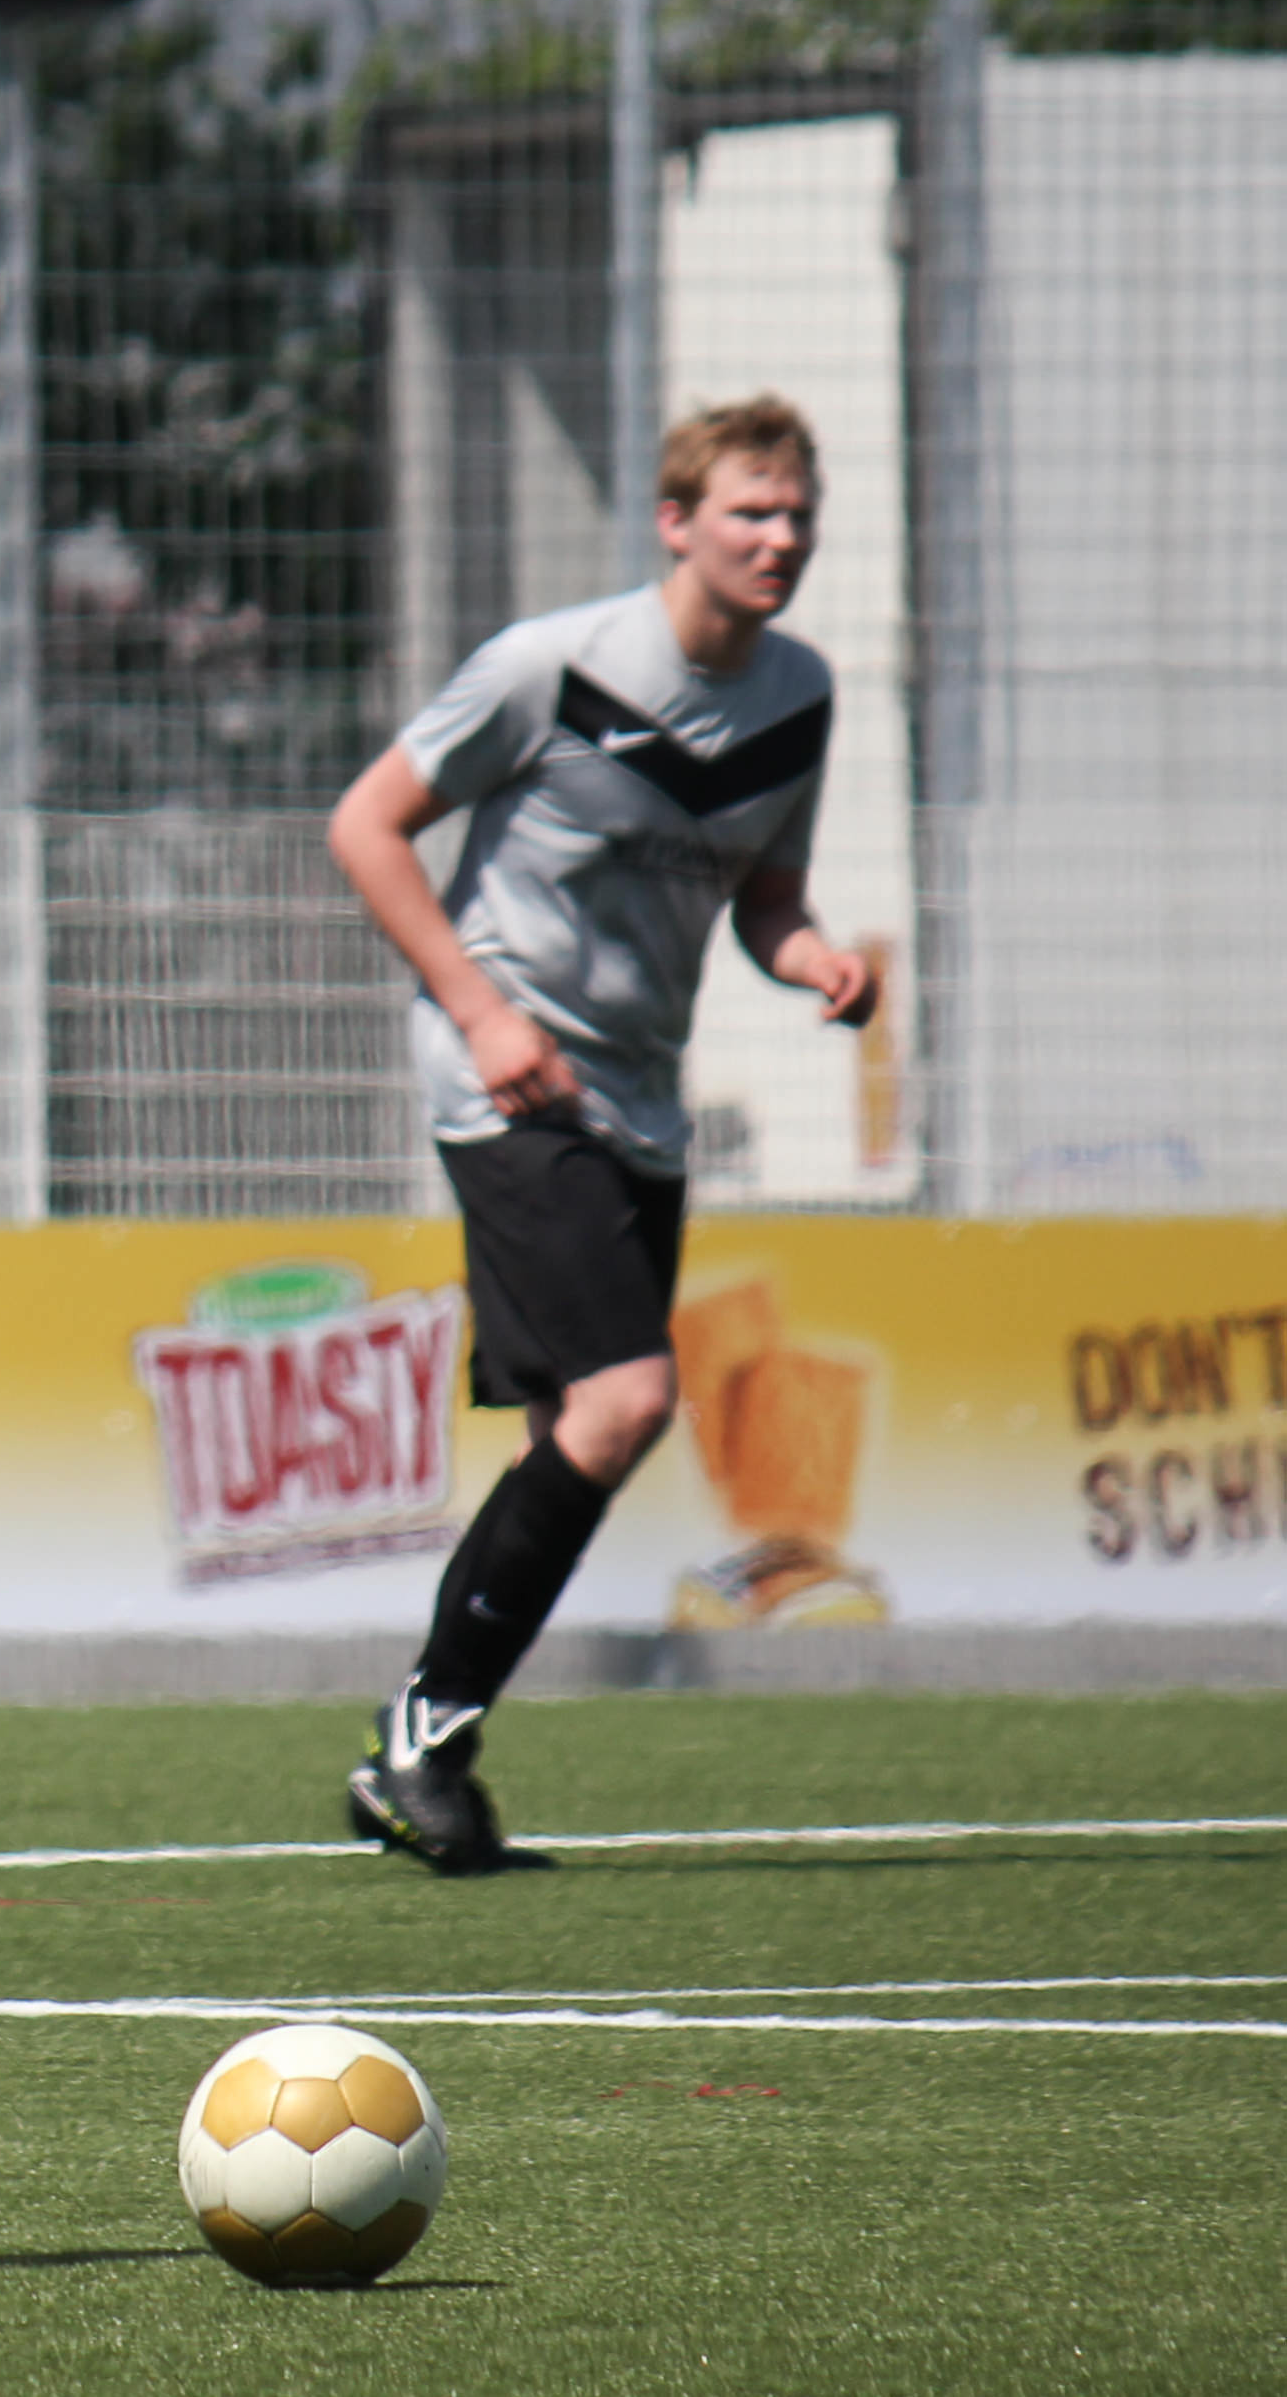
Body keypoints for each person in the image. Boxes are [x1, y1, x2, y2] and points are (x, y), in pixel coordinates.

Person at [330, 392, 876, 1873]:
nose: (779, 539)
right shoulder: (551, 668)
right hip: (507, 1078)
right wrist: (482, 1014)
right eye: (750, 513)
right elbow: (366, 826)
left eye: (797, 517)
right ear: (675, 522)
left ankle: (420, 1750)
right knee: (627, 1399)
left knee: (575, 1436)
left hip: (637, 1100)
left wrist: (814, 959)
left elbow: (764, 897)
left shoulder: (797, 698)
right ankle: (421, 1740)